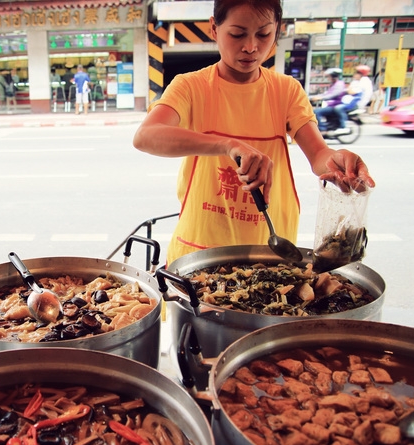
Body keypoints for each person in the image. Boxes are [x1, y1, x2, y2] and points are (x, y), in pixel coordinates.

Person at [132, 0, 375, 265]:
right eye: (237, 34)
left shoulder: (286, 91)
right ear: (214, 29)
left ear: (277, 31)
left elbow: (319, 155)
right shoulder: (190, 86)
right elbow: (146, 136)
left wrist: (337, 162)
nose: (251, 47)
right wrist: (227, 144)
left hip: (271, 251)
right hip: (200, 252)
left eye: (263, 34)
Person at [310, 68, 346, 132]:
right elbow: (326, 93)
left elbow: (333, 95)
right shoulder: (333, 84)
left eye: (329, 76)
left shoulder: (339, 84)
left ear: (333, 76)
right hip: (330, 104)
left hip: (334, 105)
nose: (328, 78)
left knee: (316, 112)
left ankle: (322, 129)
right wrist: (315, 97)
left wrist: (321, 98)